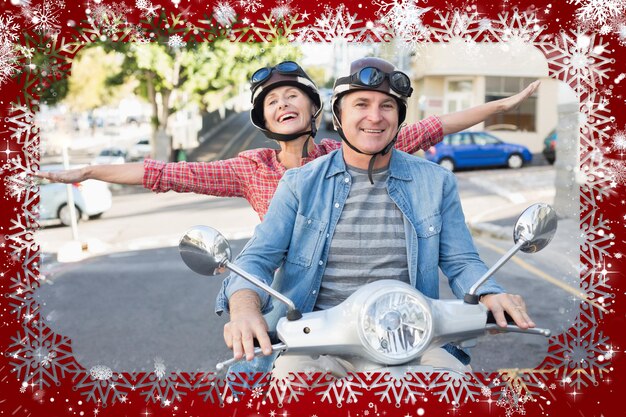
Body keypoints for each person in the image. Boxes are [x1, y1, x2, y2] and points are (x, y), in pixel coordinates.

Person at [216, 57, 536, 378]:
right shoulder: (300, 183)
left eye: (387, 106)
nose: (375, 116)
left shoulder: (436, 181)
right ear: (338, 116)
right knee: (288, 381)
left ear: (398, 118)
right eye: (361, 104)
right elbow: (257, 257)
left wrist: (490, 293)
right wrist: (244, 309)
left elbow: (462, 260)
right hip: (319, 344)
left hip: (412, 340)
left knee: (453, 384)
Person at [36, 60, 540, 221]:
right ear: (263, 116)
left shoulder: (349, 150)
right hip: (287, 295)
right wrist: (87, 171)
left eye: (292, 96)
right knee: (255, 374)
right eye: (272, 100)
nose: (283, 104)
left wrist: (500, 106)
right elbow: (162, 173)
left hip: (366, 291)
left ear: (316, 110)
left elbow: (435, 126)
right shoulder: (249, 167)